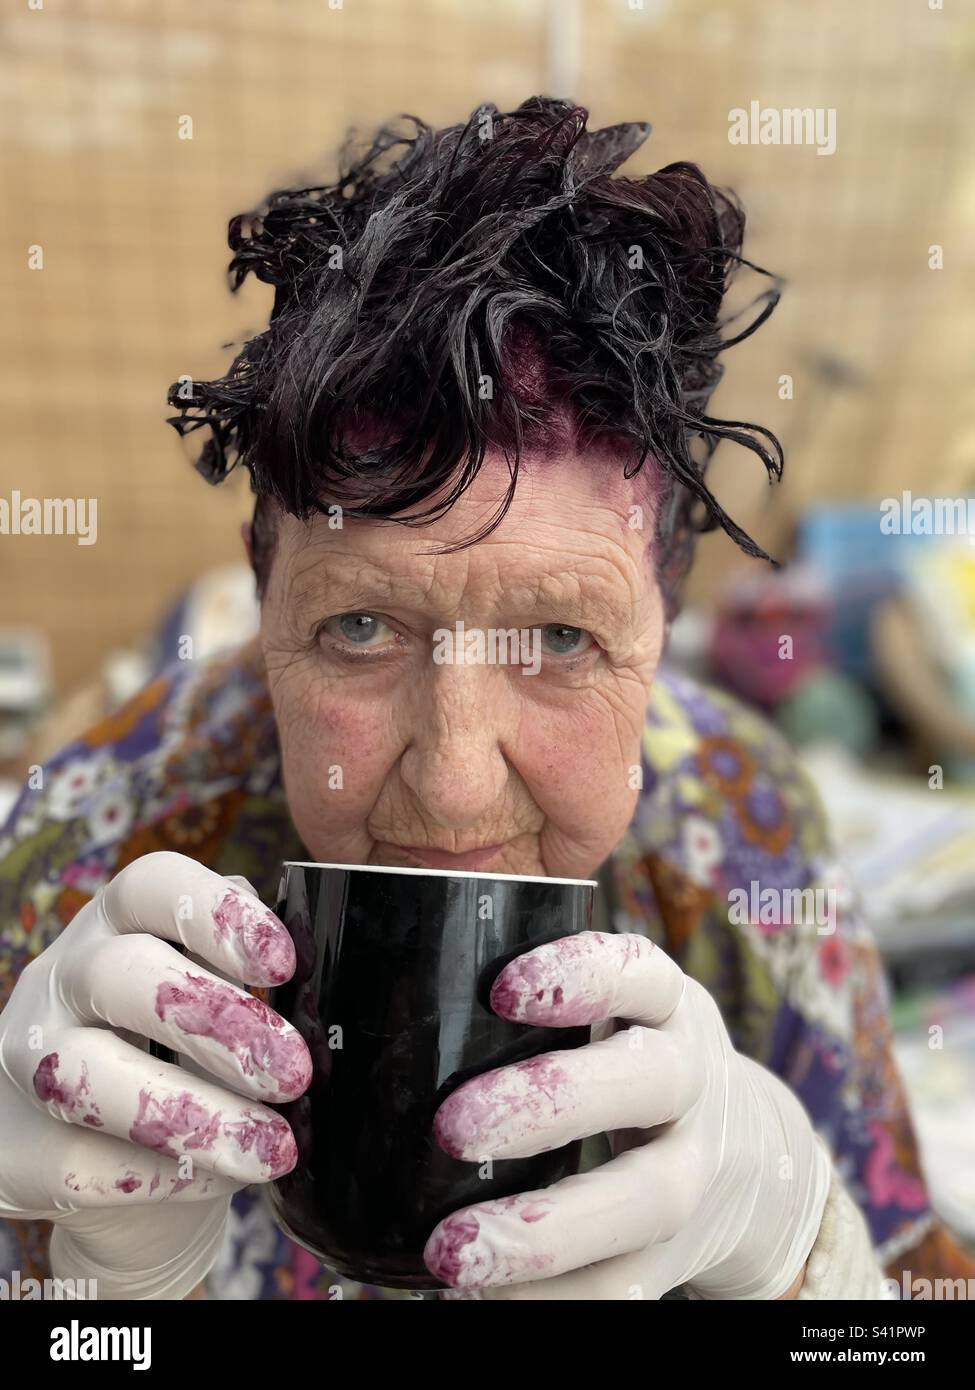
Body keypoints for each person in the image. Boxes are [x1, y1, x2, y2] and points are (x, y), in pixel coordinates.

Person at [1, 97, 971, 1302]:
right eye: (358, 627)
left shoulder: (743, 840)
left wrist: (797, 1250)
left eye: (563, 636)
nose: (454, 783)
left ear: (663, 629)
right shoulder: (81, 853)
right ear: (264, 608)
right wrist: (90, 1300)